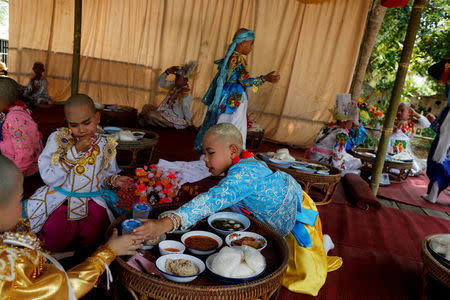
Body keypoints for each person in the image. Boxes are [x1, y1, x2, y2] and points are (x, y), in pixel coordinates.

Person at [134, 123, 342, 296]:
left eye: (210, 153)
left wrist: (164, 223)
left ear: (233, 150)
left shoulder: (244, 176)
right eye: (204, 152)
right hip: (279, 210)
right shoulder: (244, 163)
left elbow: (213, 198)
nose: (205, 159)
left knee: (302, 278)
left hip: (299, 211)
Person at [0, 155, 144, 299]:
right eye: (20, 198)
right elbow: (59, 291)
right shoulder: (7, 269)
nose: (22, 204)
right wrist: (108, 252)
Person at [25, 94, 134, 253]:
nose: (81, 130)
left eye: (86, 122)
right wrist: (74, 153)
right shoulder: (58, 139)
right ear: (67, 122)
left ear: (97, 117)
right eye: (74, 125)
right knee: (53, 239)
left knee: (97, 239)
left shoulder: (105, 144)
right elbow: (48, 177)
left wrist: (115, 180)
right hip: (61, 200)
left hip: (93, 200)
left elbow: (104, 177)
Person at [193, 28, 280, 152]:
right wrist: (264, 78)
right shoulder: (238, 59)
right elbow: (244, 81)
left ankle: (217, 153)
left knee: (223, 127)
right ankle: (229, 156)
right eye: (251, 43)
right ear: (243, 43)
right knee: (233, 129)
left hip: (227, 97)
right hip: (234, 99)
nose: (251, 47)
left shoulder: (231, 57)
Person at [305, 93, 362, 174]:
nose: (352, 125)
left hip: (314, 156)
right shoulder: (342, 133)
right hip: (324, 160)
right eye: (351, 123)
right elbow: (337, 154)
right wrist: (338, 170)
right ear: (345, 121)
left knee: (350, 158)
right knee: (357, 162)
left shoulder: (329, 127)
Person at [0, 77, 42, 176]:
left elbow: (25, 153)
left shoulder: (16, 119)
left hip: (22, 167)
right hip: (9, 159)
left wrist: (12, 174)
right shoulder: (6, 111)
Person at [140, 61, 196, 129]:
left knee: (151, 115)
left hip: (173, 119)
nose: (176, 79)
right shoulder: (174, 86)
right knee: (146, 107)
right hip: (164, 112)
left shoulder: (185, 94)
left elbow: (186, 110)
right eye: (176, 77)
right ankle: (145, 121)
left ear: (185, 80)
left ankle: (145, 122)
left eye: (178, 77)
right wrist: (167, 72)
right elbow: (160, 82)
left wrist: (189, 123)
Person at [388, 101, 430, 174]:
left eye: (402, 110)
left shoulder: (411, 124)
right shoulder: (392, 122)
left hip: (404, 150)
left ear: (409, 112)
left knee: (412, 168)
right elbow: (389, 134)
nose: (399, 112)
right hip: (391, 149)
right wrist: (397, 128)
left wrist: (416, 114)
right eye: (398, 110)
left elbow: (427, 124)